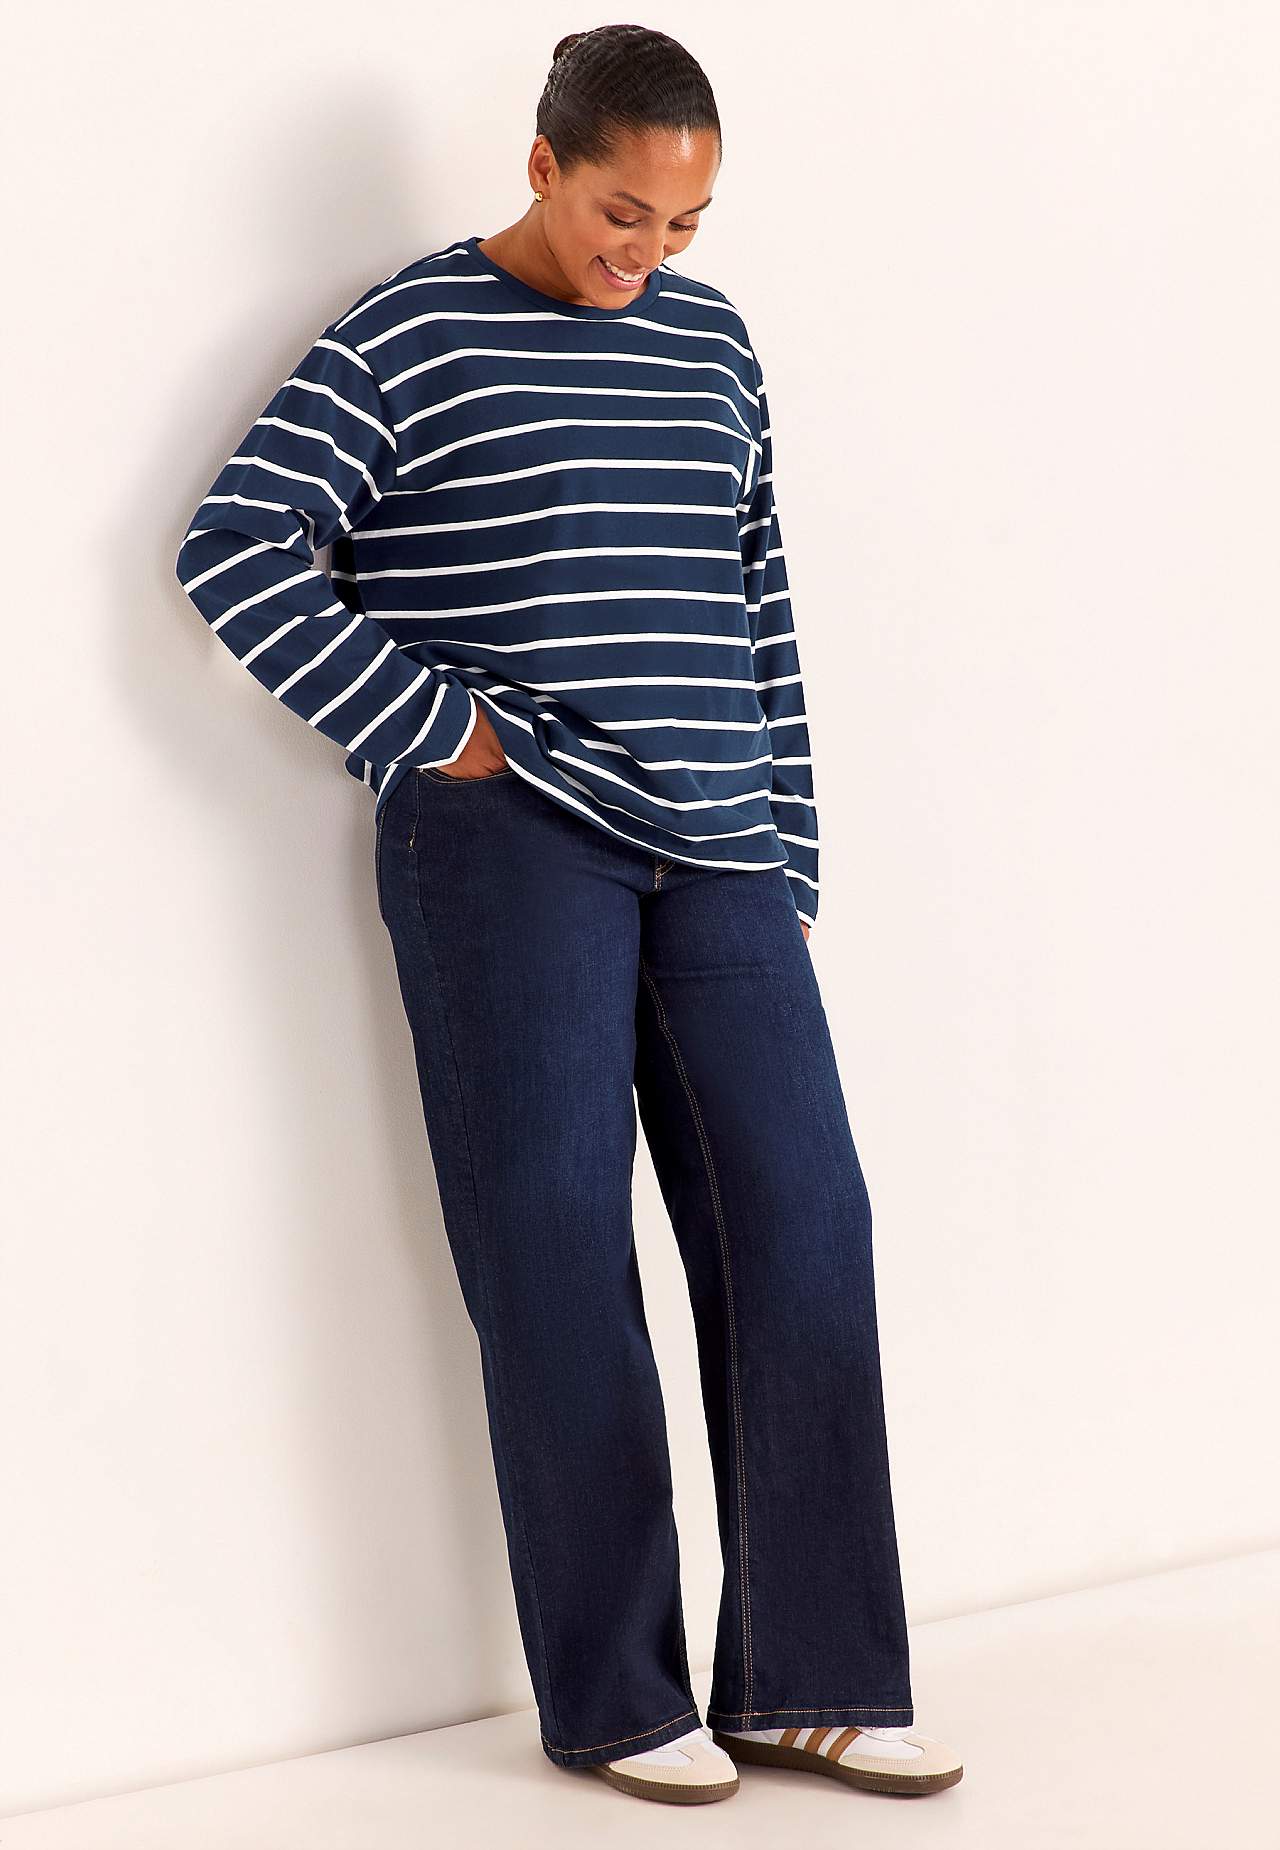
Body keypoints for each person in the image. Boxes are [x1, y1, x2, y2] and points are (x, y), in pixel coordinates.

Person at [174, 22, 964, 1809]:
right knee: (555, 1257)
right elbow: (236, 544)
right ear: (544, 166)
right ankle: (617, 1697)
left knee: (805, 1227)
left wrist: (792, 848)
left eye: (684, 224)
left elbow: (754, 596)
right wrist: (436, 731)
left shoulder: (713, 340)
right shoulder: (408, 335)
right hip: (511, 842)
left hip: (722, 845)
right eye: (623, 213)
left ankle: (814, 1680)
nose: (649, 253)